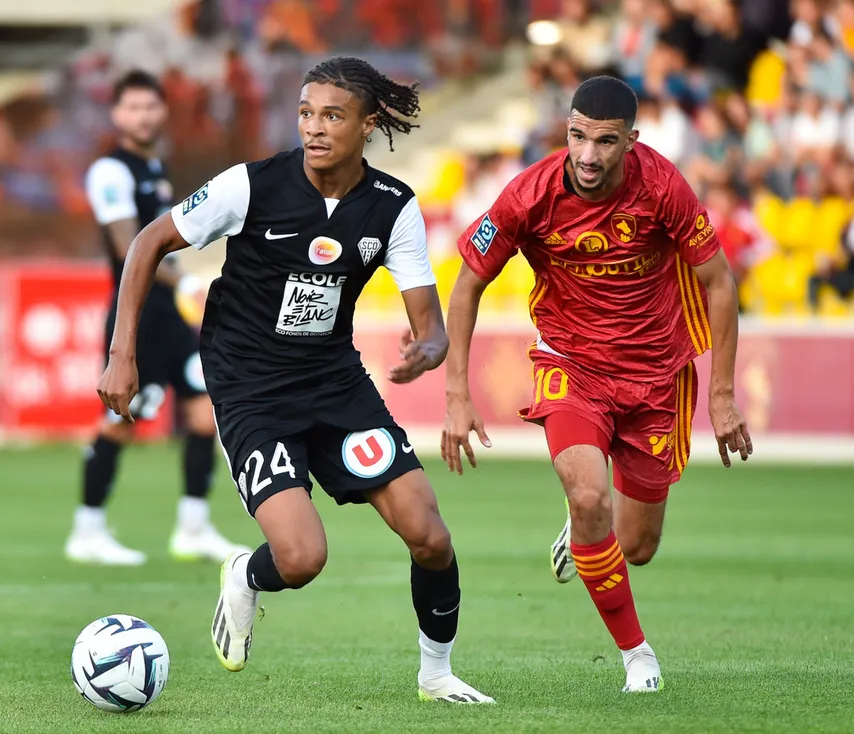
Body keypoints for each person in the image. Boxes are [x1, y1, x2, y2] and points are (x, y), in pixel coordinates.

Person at [98, 56, 493, 704]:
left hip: (334, 381)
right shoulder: (250, 187)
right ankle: (246, 574)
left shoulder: (393, 207)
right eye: (306, 113)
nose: (313, 127)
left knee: (430, 535)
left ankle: (437, 674)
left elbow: (430, 322)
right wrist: (122, 353)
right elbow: (146, 243)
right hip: (250, 385)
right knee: (303, 558)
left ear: (367, 124)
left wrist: (430, 347)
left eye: (332, 115)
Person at [441, 76, 753, 693]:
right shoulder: (527, 194)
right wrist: (456, 393)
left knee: (635, 547)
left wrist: (721, 395)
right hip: (571, 365)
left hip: (655, 374)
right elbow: (467, 284)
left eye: (605, 142)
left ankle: (585, 528)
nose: (588, 155)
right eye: (578, 137)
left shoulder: (664, 187)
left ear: (631, 142)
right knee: (590, 498)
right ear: (567, 132)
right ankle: (637, 654)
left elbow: (719, 282)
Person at [66, 70, 247, 567]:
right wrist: (185, 283)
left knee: (201, 413)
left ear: (162, 112)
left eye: (150, 107)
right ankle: (88, 528)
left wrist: (183, 282)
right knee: (121, 422)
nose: (142, 116)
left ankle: (192, 527)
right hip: (137, 321)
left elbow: (166, 250)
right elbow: (130, 249)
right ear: (116, 114)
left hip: (170, 318)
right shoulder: (111, 171)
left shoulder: (156, 168)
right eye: (132, 108)